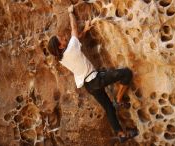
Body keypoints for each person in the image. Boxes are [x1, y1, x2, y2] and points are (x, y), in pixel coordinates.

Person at [47, 5, 138, 143]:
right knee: (126, 73)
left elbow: (76, 40)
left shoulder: (62, 58)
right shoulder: (71, 48)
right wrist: (70, 12)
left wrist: (85, 30)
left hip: (89, 86)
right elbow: (74, 30)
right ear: (60, 46)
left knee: (108, 108)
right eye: (61, 39)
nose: (63, 38)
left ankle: (121, 134)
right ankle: (119, 100)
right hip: (96, 79)